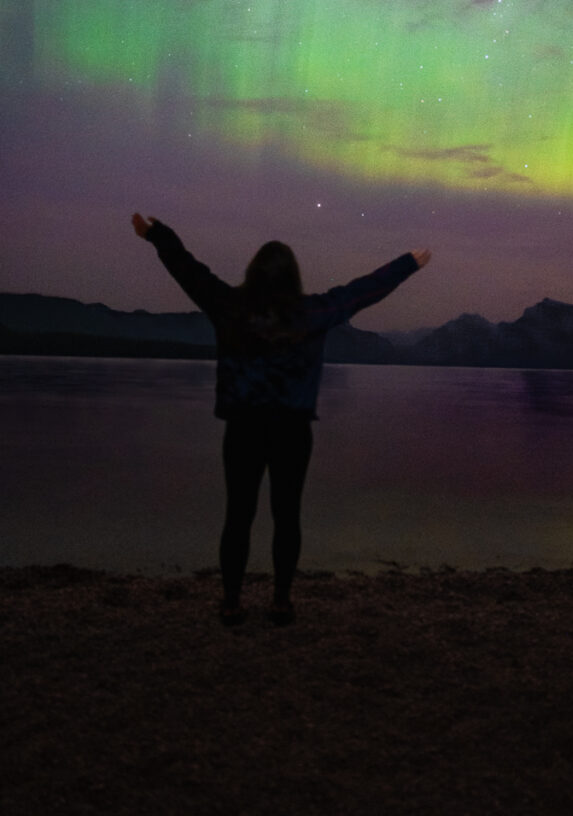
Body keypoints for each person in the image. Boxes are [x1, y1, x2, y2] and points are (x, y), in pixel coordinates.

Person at [132, 213, 430, 626]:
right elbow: (362, 292)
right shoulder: (312, 312)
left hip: (243, 429)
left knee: (238, 514)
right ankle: (281, 601)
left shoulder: (228, 305)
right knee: (286, 515)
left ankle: (232, 602)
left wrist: (157, 235)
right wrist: (407, 264)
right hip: (292, 430)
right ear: (293, 276)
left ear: (253, 272)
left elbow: (189, 272)